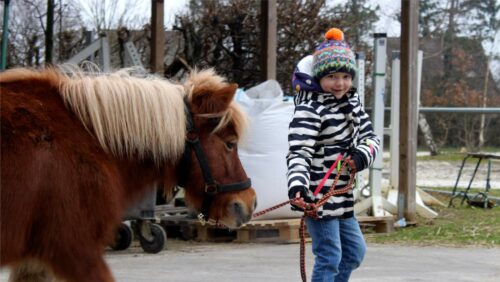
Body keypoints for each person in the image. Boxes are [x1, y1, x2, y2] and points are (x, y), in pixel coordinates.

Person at [286, 28, 380, 282]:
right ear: (319, 78)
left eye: (345, 76)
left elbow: (372, 139)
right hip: (316, 196)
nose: (340, 83)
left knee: (355, 252)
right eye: (332, 77)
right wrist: (297, 186)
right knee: (330, 256)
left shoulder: (353, 105)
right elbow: (299, 153)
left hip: (342, 197)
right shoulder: (309, 109)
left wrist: (361, 156)